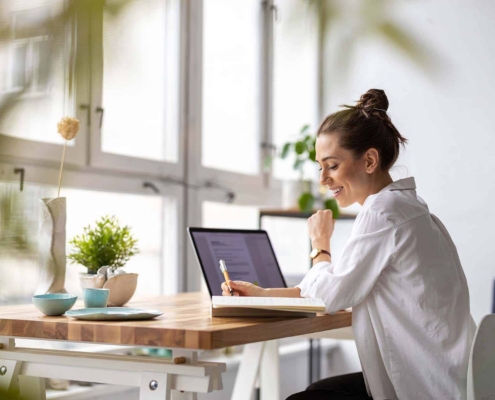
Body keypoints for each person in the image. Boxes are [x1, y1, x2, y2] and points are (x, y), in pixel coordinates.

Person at [221, 89, 476, 400]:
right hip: (450, 379)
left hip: (426, 387)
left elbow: (329, 295)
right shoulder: (409, 208)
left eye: (332, 165)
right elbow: (338, 286)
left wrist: (319, 244)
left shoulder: (383, 213)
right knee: (319, 391)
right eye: (320, 167)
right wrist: (262, 295)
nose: (323, 179)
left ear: (369, 160)